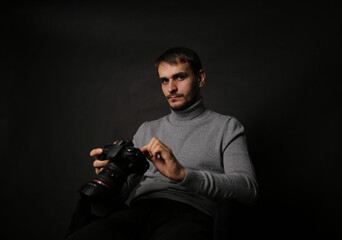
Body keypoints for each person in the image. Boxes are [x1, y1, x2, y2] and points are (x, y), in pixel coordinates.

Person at [66, 47, 258, 240]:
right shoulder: (147, 129)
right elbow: (123, 194)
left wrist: (183, 175)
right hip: (137, 212)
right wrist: (111, 175)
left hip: (189, 214)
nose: (171, 88)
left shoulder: (227, 126)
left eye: (179, 77)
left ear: (200, 78)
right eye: (164, 80)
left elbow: (247, 189)